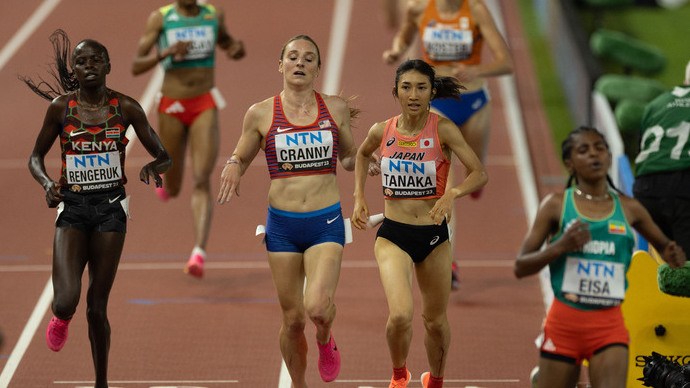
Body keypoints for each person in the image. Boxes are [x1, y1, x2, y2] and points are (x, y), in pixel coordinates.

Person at [25, 30, 171, 388]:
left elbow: (164, 155)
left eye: (95, 60)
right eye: (81, 61)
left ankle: (101, 383)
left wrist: (155, 166)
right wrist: (47, 184)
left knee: (96, 307)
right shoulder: (61, 107)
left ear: (108, 65)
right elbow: (34, 157)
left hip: (110, 212)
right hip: (72, 209)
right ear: (74, 68)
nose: (88, 66)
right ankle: (60, 318)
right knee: (66, 301)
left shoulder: (127, 107)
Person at [216, 35, 358, 388]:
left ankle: (325, 339)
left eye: (308, 59)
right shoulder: (261, 112)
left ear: (318, 69)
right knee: (293, 320)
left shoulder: (335, 108)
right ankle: (298, 384)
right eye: (293, 57)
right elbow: (243, 153)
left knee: (319, 309)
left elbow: (349, 157)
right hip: (282, 226)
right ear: (280, 65)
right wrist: (234, 164)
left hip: (325, 222)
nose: (300, 63)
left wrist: (367, 161)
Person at [514, 126, 686, 388]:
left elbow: (665, 247)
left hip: (609, 326)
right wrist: (560, 246)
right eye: (584, 150)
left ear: (608, 156)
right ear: (570, 164)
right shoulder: (556, 205)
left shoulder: (629, 208)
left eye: (600, 148)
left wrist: (672, 254)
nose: (594, 155)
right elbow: (521, 267)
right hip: (564, 323)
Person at [351, 59, 488, 388]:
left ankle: (435, 381)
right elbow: (361, 154)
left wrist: (452, 193)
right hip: (393, 236)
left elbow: (479, 173)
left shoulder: (443, 130)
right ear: (395, 91)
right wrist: (358, 196)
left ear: (432, 92)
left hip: (434, 239)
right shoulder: (381, 130)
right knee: (399, 315)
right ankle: (399, 376)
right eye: (407, 87)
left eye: (421, 88)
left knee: (435, 322)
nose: (413, 94)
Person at [383, 0, 512, 289]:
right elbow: (404, 36)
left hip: (474, 103)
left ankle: (474, 184)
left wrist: (479, 69)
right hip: (438, 104)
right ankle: (448, 255)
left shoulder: (476, 10)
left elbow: (506, 62)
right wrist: (396, 49)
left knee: (474, 176)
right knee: (443, 183)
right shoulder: (419, 9)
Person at [131, 0, 245, 278]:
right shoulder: (160, 19)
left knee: (202, 177)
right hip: (172, 104)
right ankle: (167, 186)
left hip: (204, 102)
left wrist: (235, 48)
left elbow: (228, 42)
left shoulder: (212, 14)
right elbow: (136, 65)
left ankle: (198, 253)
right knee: (174, 183)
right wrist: (167, 52)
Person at [633, 60, 690, 256]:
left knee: (671, 261)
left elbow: (641, 148)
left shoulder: (656, 104)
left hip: (645, 191)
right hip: (683, 187)